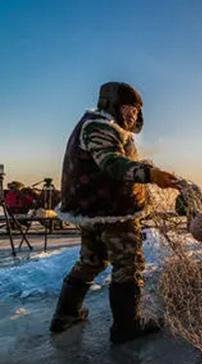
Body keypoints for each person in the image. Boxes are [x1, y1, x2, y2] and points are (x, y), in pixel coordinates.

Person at [51, 82, 179, 343]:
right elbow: (111, 163)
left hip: (92, 212)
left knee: (92, 260)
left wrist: (143, 166)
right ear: (112, 106)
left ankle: (66, 315)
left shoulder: (98, 125)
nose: (134, 116)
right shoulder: (100, 127)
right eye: (130, 109)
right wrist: (149, 174)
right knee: (128, 264)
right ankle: (126, 326)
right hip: (113, 213)